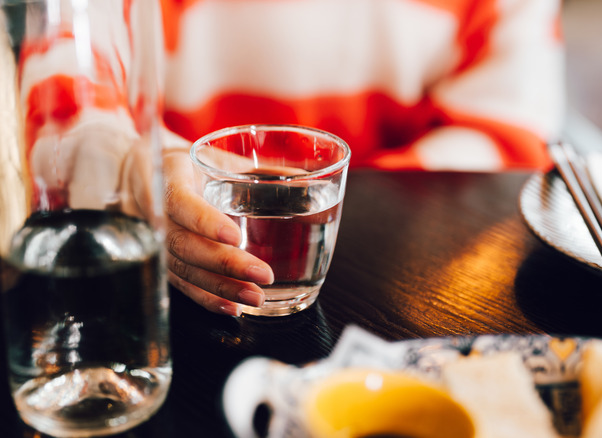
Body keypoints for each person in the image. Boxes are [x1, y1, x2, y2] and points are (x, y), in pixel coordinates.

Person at [159, 0, 566, 316]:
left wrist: (357, 199)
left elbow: (507, 132)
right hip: (182, 283)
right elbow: (100, 101)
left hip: (412, 276)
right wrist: (147, 164)